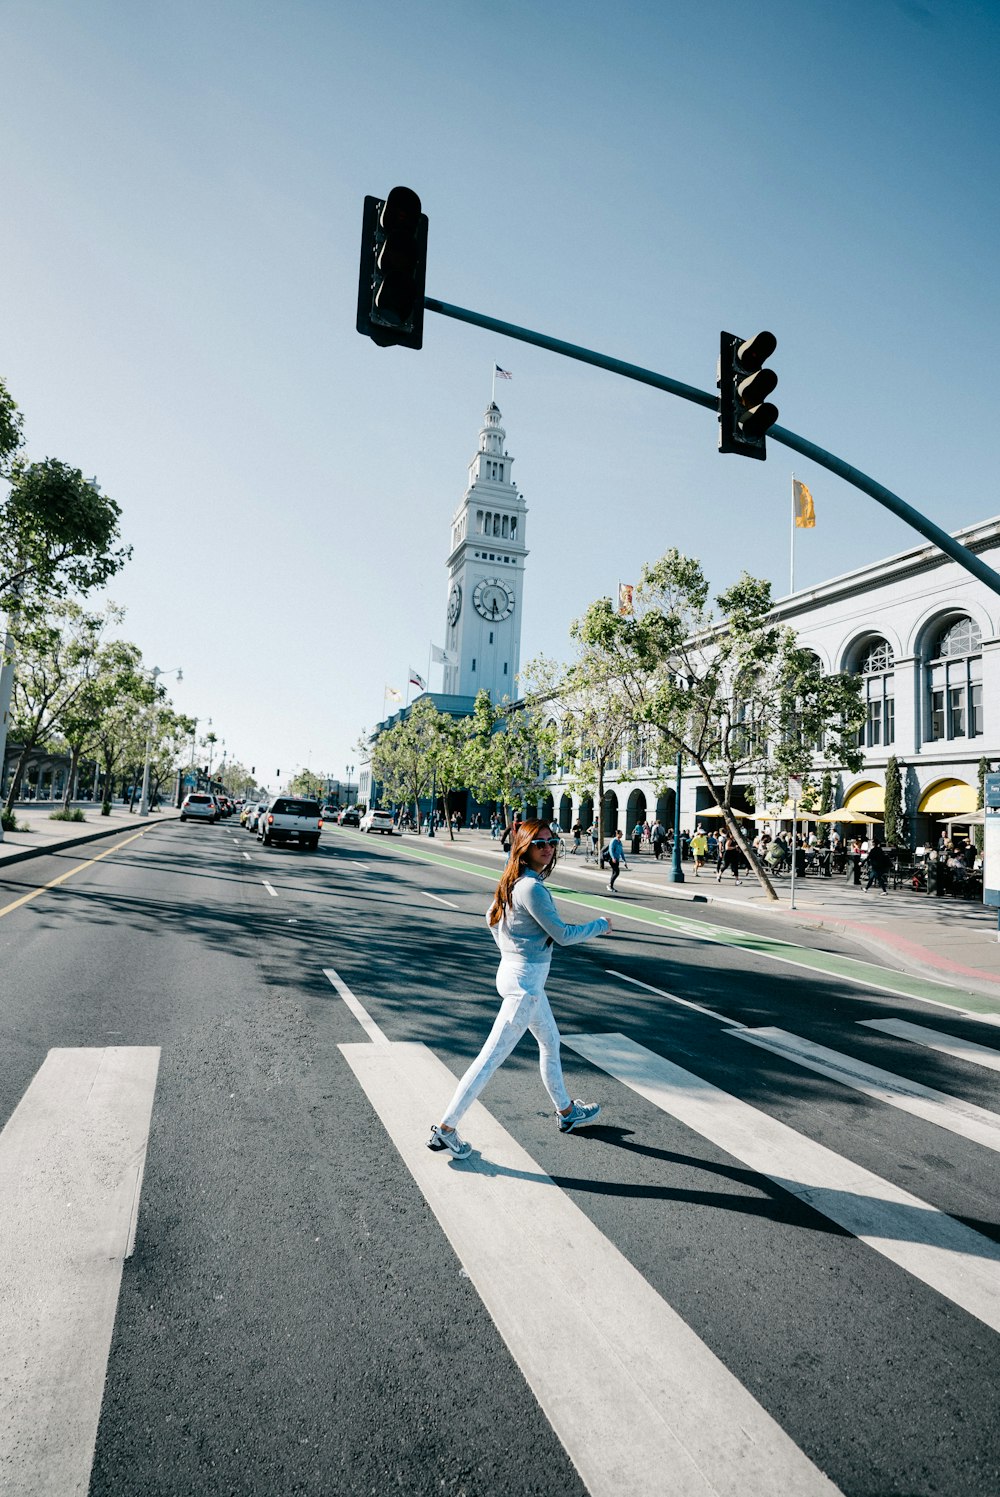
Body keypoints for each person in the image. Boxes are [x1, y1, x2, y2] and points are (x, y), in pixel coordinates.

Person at [428, 820, 612, 1159]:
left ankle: (567, 1112)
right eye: (539, 842)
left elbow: (489, 917)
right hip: (525, 987)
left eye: (552, 841)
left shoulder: (514, 881)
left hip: (520, 979)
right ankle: (446, 1129)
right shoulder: (532, 888)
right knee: (490, 1058)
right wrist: (600, 925)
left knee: (550, 1041)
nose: (547, 847)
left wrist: (509, 949)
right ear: (523, 847)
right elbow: (563, 935)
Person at [607, 827, 627, 893]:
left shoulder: (619, 842)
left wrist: (624, 861)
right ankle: (610, 885)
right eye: (621, 834)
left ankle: (610, 885)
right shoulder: (613, 841)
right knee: (617, 872)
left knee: (614, 872)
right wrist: (613, 857)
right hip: (612, 859)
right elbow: (611, 850)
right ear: (617, 834)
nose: (622, 835)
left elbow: (621, 852)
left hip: (617, 859)